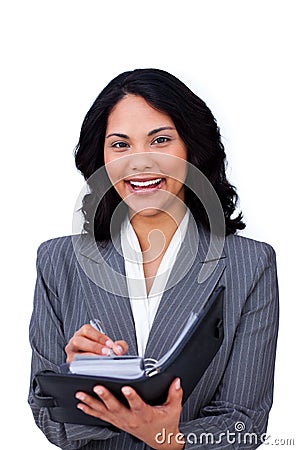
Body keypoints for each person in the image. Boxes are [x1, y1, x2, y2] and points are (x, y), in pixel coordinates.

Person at [28, 69, 279, 450]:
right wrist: (80, 379)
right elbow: (48, 415)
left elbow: (245, 422)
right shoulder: (58, 260)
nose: (140, 162)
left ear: (191, 149)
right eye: (120, 145)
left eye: (160, 140)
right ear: (101, 158)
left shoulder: (250, 265)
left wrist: (168, 437)